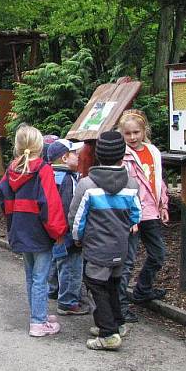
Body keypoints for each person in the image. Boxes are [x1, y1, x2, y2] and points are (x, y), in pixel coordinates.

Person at [68, 131, 141, 350]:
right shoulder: (132, 184)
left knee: (95, 285)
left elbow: (76, 217)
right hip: (121, 245)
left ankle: (108, 334)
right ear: (122, 155)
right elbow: (136, 214)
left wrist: (77, 238)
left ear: (99, 155)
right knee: (113, 284)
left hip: (97, 246)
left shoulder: (87, 185)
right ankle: (117, 324)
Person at [0, 124, 68, 337]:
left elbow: (3, 198)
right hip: (40, 232)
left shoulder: (12, 169)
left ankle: (38, 313)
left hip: (20, 229)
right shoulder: (43, 169)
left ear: (17, 146)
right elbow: (51, 204)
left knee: (31, 276)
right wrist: (58, 233)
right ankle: (38, 321)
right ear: (40, 146)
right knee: (41, 277)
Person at [118, 109, 170, 321]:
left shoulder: (152, 151)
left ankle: (143, 289)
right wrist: (127, 214)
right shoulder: (122, 155)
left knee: (158, 255)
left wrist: (163, 204)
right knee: (127, 261)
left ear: (144, 130)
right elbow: (121, 187)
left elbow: (158, 181)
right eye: (128, 134)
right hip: (131, 214)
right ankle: (120, 306)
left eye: (136, 132)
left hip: (151, 211)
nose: (132, 138)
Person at [45, 138, 89, 315]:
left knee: (56, 260)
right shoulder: (68, 179)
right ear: (64, 158)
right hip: (66, 232)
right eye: (75, 154)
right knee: (71, 265)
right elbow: (69, 207)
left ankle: (54, 290)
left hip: (53, 230)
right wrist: (75, 232)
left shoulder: (50, 175)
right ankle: (68, 302)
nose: (79, 158)